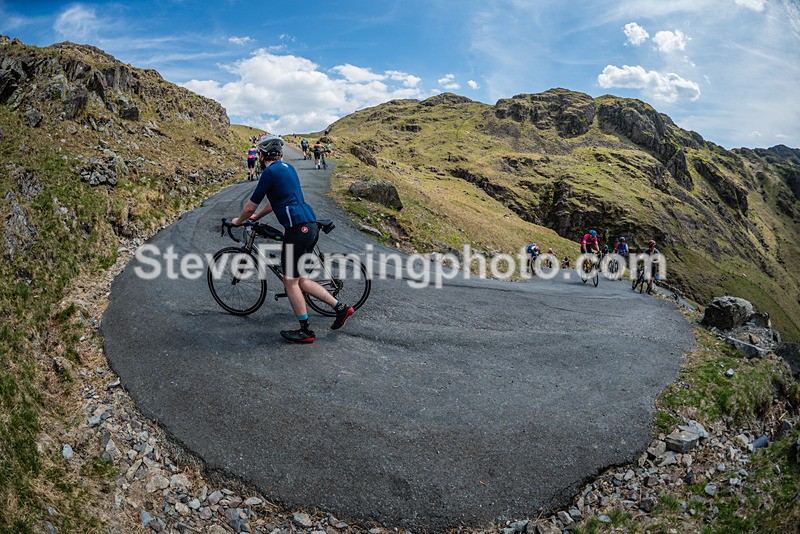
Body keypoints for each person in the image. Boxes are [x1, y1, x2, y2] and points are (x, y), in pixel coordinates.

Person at [231, 135, 354, 343]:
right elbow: (275, 202)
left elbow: (250, 205)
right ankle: (340, 308)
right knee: (299, 279)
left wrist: (238, 220)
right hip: (309, 226)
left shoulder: (269, 172)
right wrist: (257, 217)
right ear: (279, 154)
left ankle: (305, 330)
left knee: (290, 282)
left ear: (261, 155)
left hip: (298, 229)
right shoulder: (287, 168)